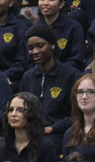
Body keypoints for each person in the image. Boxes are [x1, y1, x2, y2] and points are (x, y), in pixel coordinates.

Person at [19, 23, 81, 152]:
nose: (35, 52)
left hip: (59, 134)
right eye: (30, 48)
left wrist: (51, 128)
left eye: (40, 46)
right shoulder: (27, 76)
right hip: (31, 133)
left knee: (41, 146)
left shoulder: (70, 75)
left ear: (52, 45)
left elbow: (77, 115)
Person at [23, 0, 86, 70]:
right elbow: (29, 63)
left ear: (61, 4)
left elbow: (77, 61)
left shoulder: (73, 27)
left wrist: (54, 70)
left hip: (67, 74)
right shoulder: (33, 31)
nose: (45, 3)